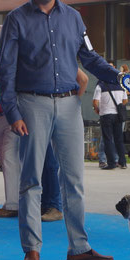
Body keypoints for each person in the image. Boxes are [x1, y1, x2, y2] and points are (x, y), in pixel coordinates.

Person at [0, 0, 130, 260]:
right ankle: (32, 249)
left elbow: (89, 56)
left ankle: (79, 247)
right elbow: (5, 71)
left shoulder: (73, 18)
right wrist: (12, 111)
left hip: (70, 104)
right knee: (32, 179)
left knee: (74, 178)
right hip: (32, 104)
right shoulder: (15, 19)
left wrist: (118, 76)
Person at [40, 68, 89, 222]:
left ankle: (54, 205)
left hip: (54, 110)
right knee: (51, 164)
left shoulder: (60, 57)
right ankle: (50, 204)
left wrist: (72, 103)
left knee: (51, 164)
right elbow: (83, 80)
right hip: (59, 109)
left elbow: (84, 79)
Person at [0, 25, 20, 218]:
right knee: (3, 160)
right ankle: (15, 200)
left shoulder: (18, 59)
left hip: (13, 116)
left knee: (9, 159)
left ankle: (13, 205)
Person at [93, 63, 128, 170]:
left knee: (108, 139)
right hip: (118, 115)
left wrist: (98, 109)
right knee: (119, 139)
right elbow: (125, 100)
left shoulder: (100, 86)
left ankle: (111, 163)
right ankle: (123, 162)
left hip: (106, 115)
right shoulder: (120, 85)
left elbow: (95, 102)